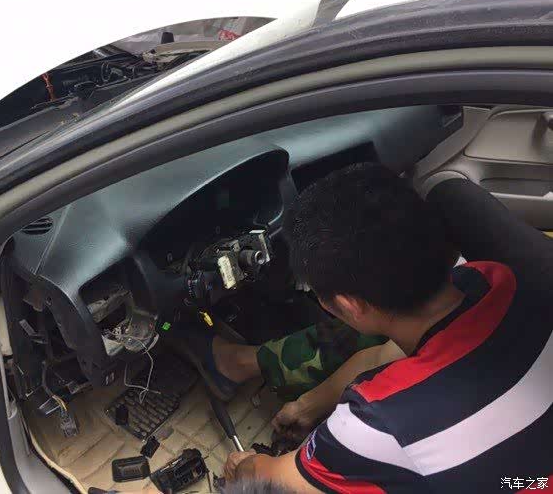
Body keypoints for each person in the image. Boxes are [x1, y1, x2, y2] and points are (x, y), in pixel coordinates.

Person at [216, 163, 552, 492]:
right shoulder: (498, 278)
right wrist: (308, 405)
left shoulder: (380, 424)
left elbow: (276, 481)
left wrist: (243, 465)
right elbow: (388, 356)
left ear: (349, 306)